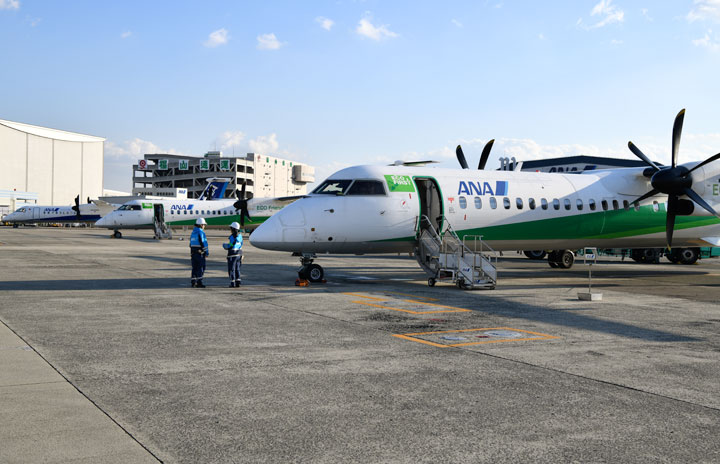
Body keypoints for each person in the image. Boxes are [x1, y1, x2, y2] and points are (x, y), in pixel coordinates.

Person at [189, 217, 209, 288]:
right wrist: (206, 252)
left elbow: (190, 244)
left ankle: (193, 282)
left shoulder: (193, 233)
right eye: (204, 225)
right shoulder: (201, 232)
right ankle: (199, 282)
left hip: (193, 253)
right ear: (201, 225)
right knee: (201, 267)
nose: (204, 226)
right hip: (200, 253)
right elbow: (204, 243)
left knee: (194, 268)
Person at [223, 221, 243, 287]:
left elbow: (231, 245)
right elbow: (241, 245)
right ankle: (238, 282)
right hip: (239, 254)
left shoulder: (232, 237)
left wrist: (225, 246)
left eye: (231, 228)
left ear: (233, 229)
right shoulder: (240, 236)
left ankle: (232, 283)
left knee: (231, 269)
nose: (230, 230)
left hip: (232, 255)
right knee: (237, 269)